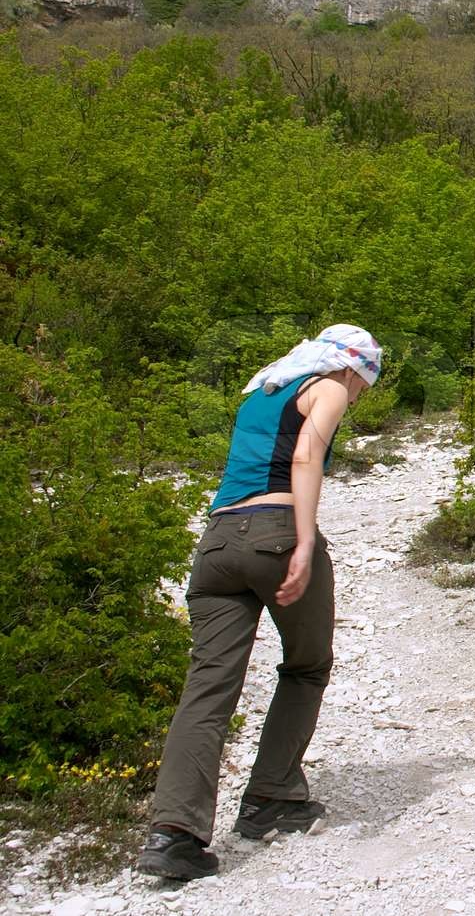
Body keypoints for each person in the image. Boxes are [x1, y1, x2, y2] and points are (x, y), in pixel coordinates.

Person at [135, 324, 383, 881]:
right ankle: (270, 797)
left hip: (218, 543)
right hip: (275, 532)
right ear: (352, 367)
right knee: (307, 665)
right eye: (364, 385)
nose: (358, 397)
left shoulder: (262, 391)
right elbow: (305, 459)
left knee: (208, 685)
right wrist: (304, 542)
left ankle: (173, 835)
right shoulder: (328, 385)